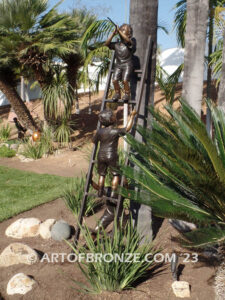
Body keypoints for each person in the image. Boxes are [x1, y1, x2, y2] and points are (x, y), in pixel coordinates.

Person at [92, 109, 136, 199]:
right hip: (111, 155)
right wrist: (132, 116)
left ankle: (100, 191)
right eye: (114, 116)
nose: (115, 117)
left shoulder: (100, 131)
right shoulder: (114, 131)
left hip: (101, 155)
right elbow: (127, 129)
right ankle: (114, 192)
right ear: (111, 119)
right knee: (116, 174)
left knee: (102, 174)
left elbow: (93, 140)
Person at [105, 23, 135, 102]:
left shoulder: (130, 43)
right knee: (114, 80)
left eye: (123, 29)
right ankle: (117, 93)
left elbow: (127, 40)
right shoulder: (116, 44)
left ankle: (127, 94)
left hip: (127, 64)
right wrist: (113, 33)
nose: (121, 30)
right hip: (118, 65)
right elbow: (106, 44)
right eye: (121, 29)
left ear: (129, 34)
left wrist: (119, 31)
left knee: (125, 81)